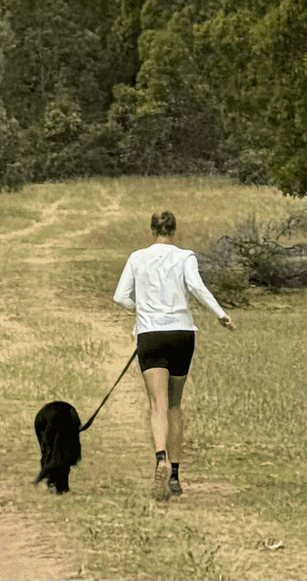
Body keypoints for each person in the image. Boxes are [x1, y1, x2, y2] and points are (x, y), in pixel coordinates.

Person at [112, 208, 233, 501]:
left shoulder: (137, 258)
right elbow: (196, 286)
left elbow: (120, 297)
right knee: (175, 405)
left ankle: (160, 459)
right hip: (181, 334)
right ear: (174, 230)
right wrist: (220, 314)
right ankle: (176, 476)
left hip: (150, 336)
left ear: (152, 230)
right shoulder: (185, 256)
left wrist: (140, 311)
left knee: (157, 404)